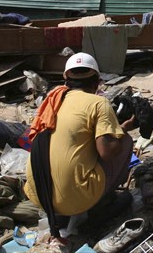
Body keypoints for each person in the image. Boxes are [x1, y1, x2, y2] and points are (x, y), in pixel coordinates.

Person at [24, 52, 135, 240]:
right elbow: (107, 152)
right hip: (74, 201)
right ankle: (100, 205)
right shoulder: (98, 103)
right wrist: (123, 130)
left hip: (38, 194)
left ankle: (64, 210)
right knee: (124, 142)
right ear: (98, 82)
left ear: (65, 79)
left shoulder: (52, 99)